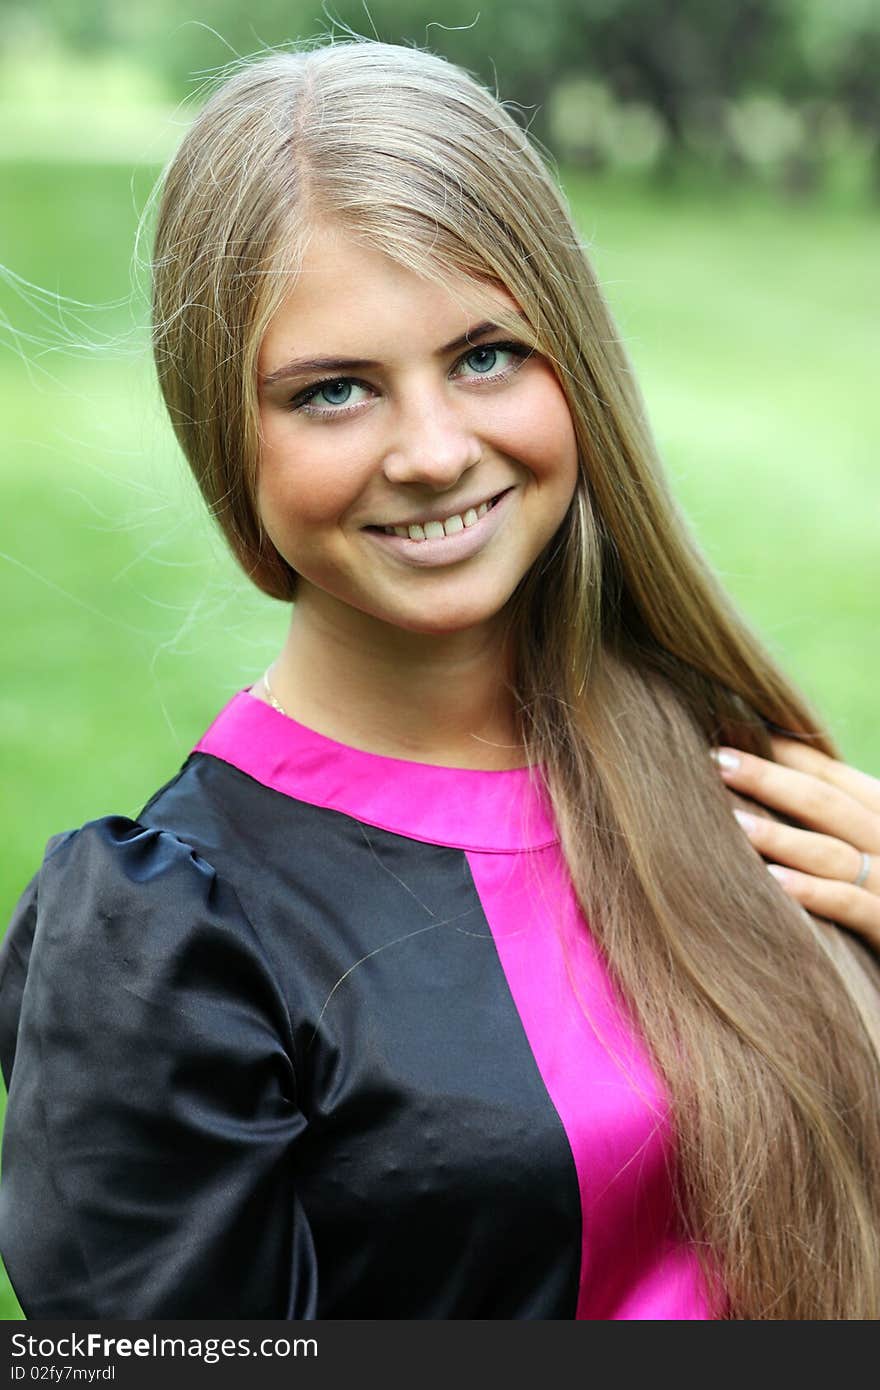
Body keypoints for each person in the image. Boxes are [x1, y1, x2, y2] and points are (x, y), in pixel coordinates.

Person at [0, 37, 878, 1322]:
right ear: (224, 437)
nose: (430, 450)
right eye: (335, 390)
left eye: (484, 356)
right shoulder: (165, 943)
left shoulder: (730, 773)